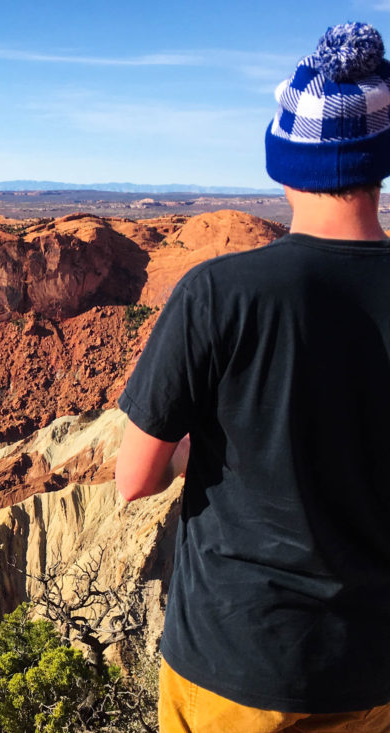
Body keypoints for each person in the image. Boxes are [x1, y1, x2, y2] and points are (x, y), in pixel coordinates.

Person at [115, 22, 390, 733]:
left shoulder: (220, 292)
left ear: (284, 163)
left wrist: (200, 444)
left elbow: (134, 477)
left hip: (234, 665)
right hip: (372, 667)